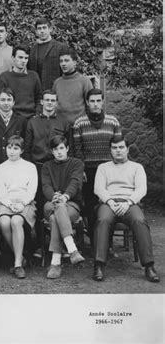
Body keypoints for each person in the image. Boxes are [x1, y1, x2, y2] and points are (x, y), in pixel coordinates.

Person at [93, 138, 159, 283]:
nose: (118, 150)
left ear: (127, 149)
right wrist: (110, 201)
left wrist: (128, 202)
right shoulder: (103, 167)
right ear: (110, 150)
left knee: (139, 220)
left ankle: (149, 266)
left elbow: (142, 189)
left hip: (130, 203)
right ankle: (98, 265)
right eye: (114, 147)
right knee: (102, 220)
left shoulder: (137, 167)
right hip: (108, 203)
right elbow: (98, 188)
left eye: (121, 147)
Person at [24, 90, 70, 256]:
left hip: (58, 168)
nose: (49, 103)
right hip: (37, 167)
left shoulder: (63, 122)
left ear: (56, 103)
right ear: (41, 102)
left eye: (53, 100)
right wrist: (29, 170)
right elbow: (27, 149)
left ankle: (60, 244)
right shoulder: (32, 122)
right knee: (39, 204)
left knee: (56, 202)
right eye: (47, 100)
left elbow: (68, 147)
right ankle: (39, 245)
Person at [72, 88, 122, 235]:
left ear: (103, 102)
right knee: (91, 206)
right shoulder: (79, 123)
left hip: (109, 170)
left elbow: (118, 148)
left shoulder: (112, 121)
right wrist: (81, 170)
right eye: (92, 101)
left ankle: (109, 242)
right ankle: (96, 242)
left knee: (109, 204)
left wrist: (118, 169)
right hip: (89, 171)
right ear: (87, 103)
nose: (95, 104)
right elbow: (77, 150)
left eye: (98, 101)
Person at [41, 135, 85, 279]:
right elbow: (46, 185)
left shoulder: (77, 163)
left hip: (71, 205)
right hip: (50, 203)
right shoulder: (47, 166)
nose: (59, 152)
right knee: (56, 208)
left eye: (61, 148)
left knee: (54, 218)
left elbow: (76, 182)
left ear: (67, 149)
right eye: (55, 149)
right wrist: (54, 196)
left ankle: (55, 263)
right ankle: (72, 249)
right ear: (52, 151)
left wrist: (65, 196)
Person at [0, 135, 37, 279]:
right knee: (4, 221)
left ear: (22, 150)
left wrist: (22, 203)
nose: (12, 151)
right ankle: (21, 255)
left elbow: (31, 191)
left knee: (16, 221)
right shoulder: (0, 168)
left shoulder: (30, 167)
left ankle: (17, 264)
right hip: (6, 202)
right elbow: (1, 192)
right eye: (9, 147)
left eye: (16, 148)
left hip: (25, 202)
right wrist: (10, 204)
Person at [0, 44, 42, 119]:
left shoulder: (34, 76)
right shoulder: (4, 77)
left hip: (31, 118)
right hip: (11, 119)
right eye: (20, 57)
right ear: (13, 58)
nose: (23, 61)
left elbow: (39, 98)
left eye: (26, 58)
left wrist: (37, 115)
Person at [52, 48, 93, 124]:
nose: (63, 64)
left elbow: (91, 106)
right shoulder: (57, 82)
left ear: (74, 63)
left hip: (79, 126)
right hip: (60, 127)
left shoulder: (84, 81)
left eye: (66, 60)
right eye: (61, 61)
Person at [27, 17, 69, 91]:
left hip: (55, 89)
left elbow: (66, 71)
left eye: (44, 28)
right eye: (39, 29)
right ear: (36, 32)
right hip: (37, 90)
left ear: (50, 29)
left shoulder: (61, 47)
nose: (42, 31)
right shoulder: (32, 49)